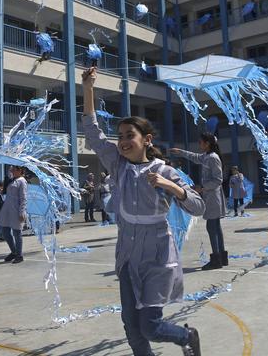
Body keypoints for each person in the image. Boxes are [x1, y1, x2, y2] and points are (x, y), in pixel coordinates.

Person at [82, 67, 204, 356]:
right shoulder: (117, 164)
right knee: (131, 326)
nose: (122, 140)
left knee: (149, 326)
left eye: (130, 135)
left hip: (158, 256)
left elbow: (198, 206)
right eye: (120, 135)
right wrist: (88, 88)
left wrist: (172, 187)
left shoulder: (164, 170)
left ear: (147, 139)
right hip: (127, 256)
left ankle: (187, 336)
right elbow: (92, 131)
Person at [171, 133, 227, 270]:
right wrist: (181, 152)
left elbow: (218, 180)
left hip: (213, 197)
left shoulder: (213, 158)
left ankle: (216, 259)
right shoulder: (207, 156)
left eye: (201, 142)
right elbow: (195, 157)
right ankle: (222, 257)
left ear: (207, 143)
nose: (199, 145)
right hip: (211, 195)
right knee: (216, 228)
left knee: (212, 227)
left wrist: (202, 188)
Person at [0, 166, 28, 264]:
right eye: (11, 170)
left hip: (16, 209)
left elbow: (24, 198)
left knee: (17, 233)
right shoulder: (12, 180)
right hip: (7, 209)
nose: (12, 171)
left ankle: (19, 255)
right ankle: (13, 251)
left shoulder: (22, 181)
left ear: (19, 170)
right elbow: (7, 188)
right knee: (5, 231)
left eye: (14, 170)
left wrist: (22, 211)